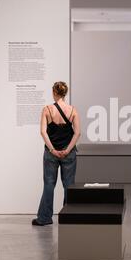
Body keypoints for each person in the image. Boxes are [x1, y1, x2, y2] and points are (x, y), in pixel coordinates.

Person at [32, 82, 81, 226]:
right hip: (69, 153)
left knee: (48, 184)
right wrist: (67, 150)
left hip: (51, 153)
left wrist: (53, 150)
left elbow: (43, 132)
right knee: (69, 185)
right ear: (65, 93)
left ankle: (45, 218)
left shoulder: (47, 109)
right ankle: (69, 217)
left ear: (54, 92)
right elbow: (77, 133)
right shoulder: (72, 110)